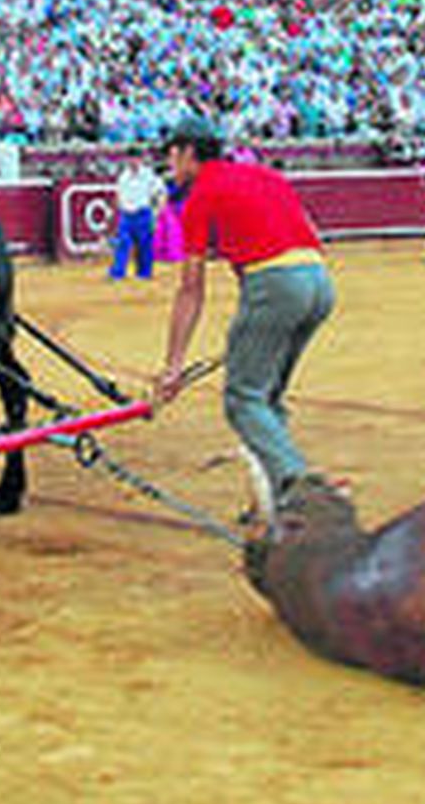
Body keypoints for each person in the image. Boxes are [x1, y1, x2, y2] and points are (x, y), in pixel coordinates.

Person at [155, 118, 334, 528]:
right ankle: (270, 500)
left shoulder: (200, 196)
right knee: (266, 397)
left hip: (274, 285)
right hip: (320, 283)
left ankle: (298, 486)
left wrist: (173, 366)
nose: (169, 163)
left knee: (243, 399)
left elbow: (191, 290)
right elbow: (314, 238)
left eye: (171, 154)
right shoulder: (265, 175)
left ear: (187, 153)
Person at [108, 153, 161, 281]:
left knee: (144, 245)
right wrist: (113, 214)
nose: (133, 161)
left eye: (135, 158)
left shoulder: (148, 175)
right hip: (126, 214)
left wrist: (156, 213)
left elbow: (159, 192)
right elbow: (118, 196)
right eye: (131, 158)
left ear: (140, 159)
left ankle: (144, 273)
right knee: (123, 242)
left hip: (143, 213)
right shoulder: (123, 177)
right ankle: (118, 272)